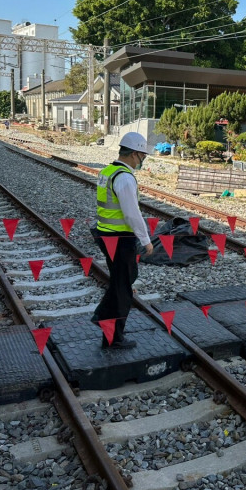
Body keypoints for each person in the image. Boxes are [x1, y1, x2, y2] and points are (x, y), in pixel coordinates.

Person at [90, 132, 154, 349]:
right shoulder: (125, 178)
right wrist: (146, 240)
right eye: (143, 155)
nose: (143, 160)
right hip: (119, 238)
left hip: (105, 234)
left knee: (123, 280)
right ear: (135, 154)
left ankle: (102, 318)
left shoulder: (108, 171)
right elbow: (131, 214)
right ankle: (113, 337)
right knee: (123, 288)